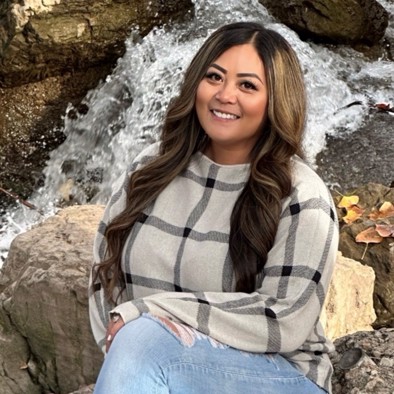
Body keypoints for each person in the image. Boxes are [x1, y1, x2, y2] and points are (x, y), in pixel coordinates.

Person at [89, 21, 339, 394]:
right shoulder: (150, 170)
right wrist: (127, 344)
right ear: (195, 84)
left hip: (279, 377)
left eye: (247, 86)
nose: (225, 95)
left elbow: (283, 321)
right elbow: (104, 278)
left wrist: (149, 315)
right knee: (139, 343)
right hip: (162, 364)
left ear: (276, 102)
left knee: (142, 340)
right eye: (214, 77)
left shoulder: (301, 195)